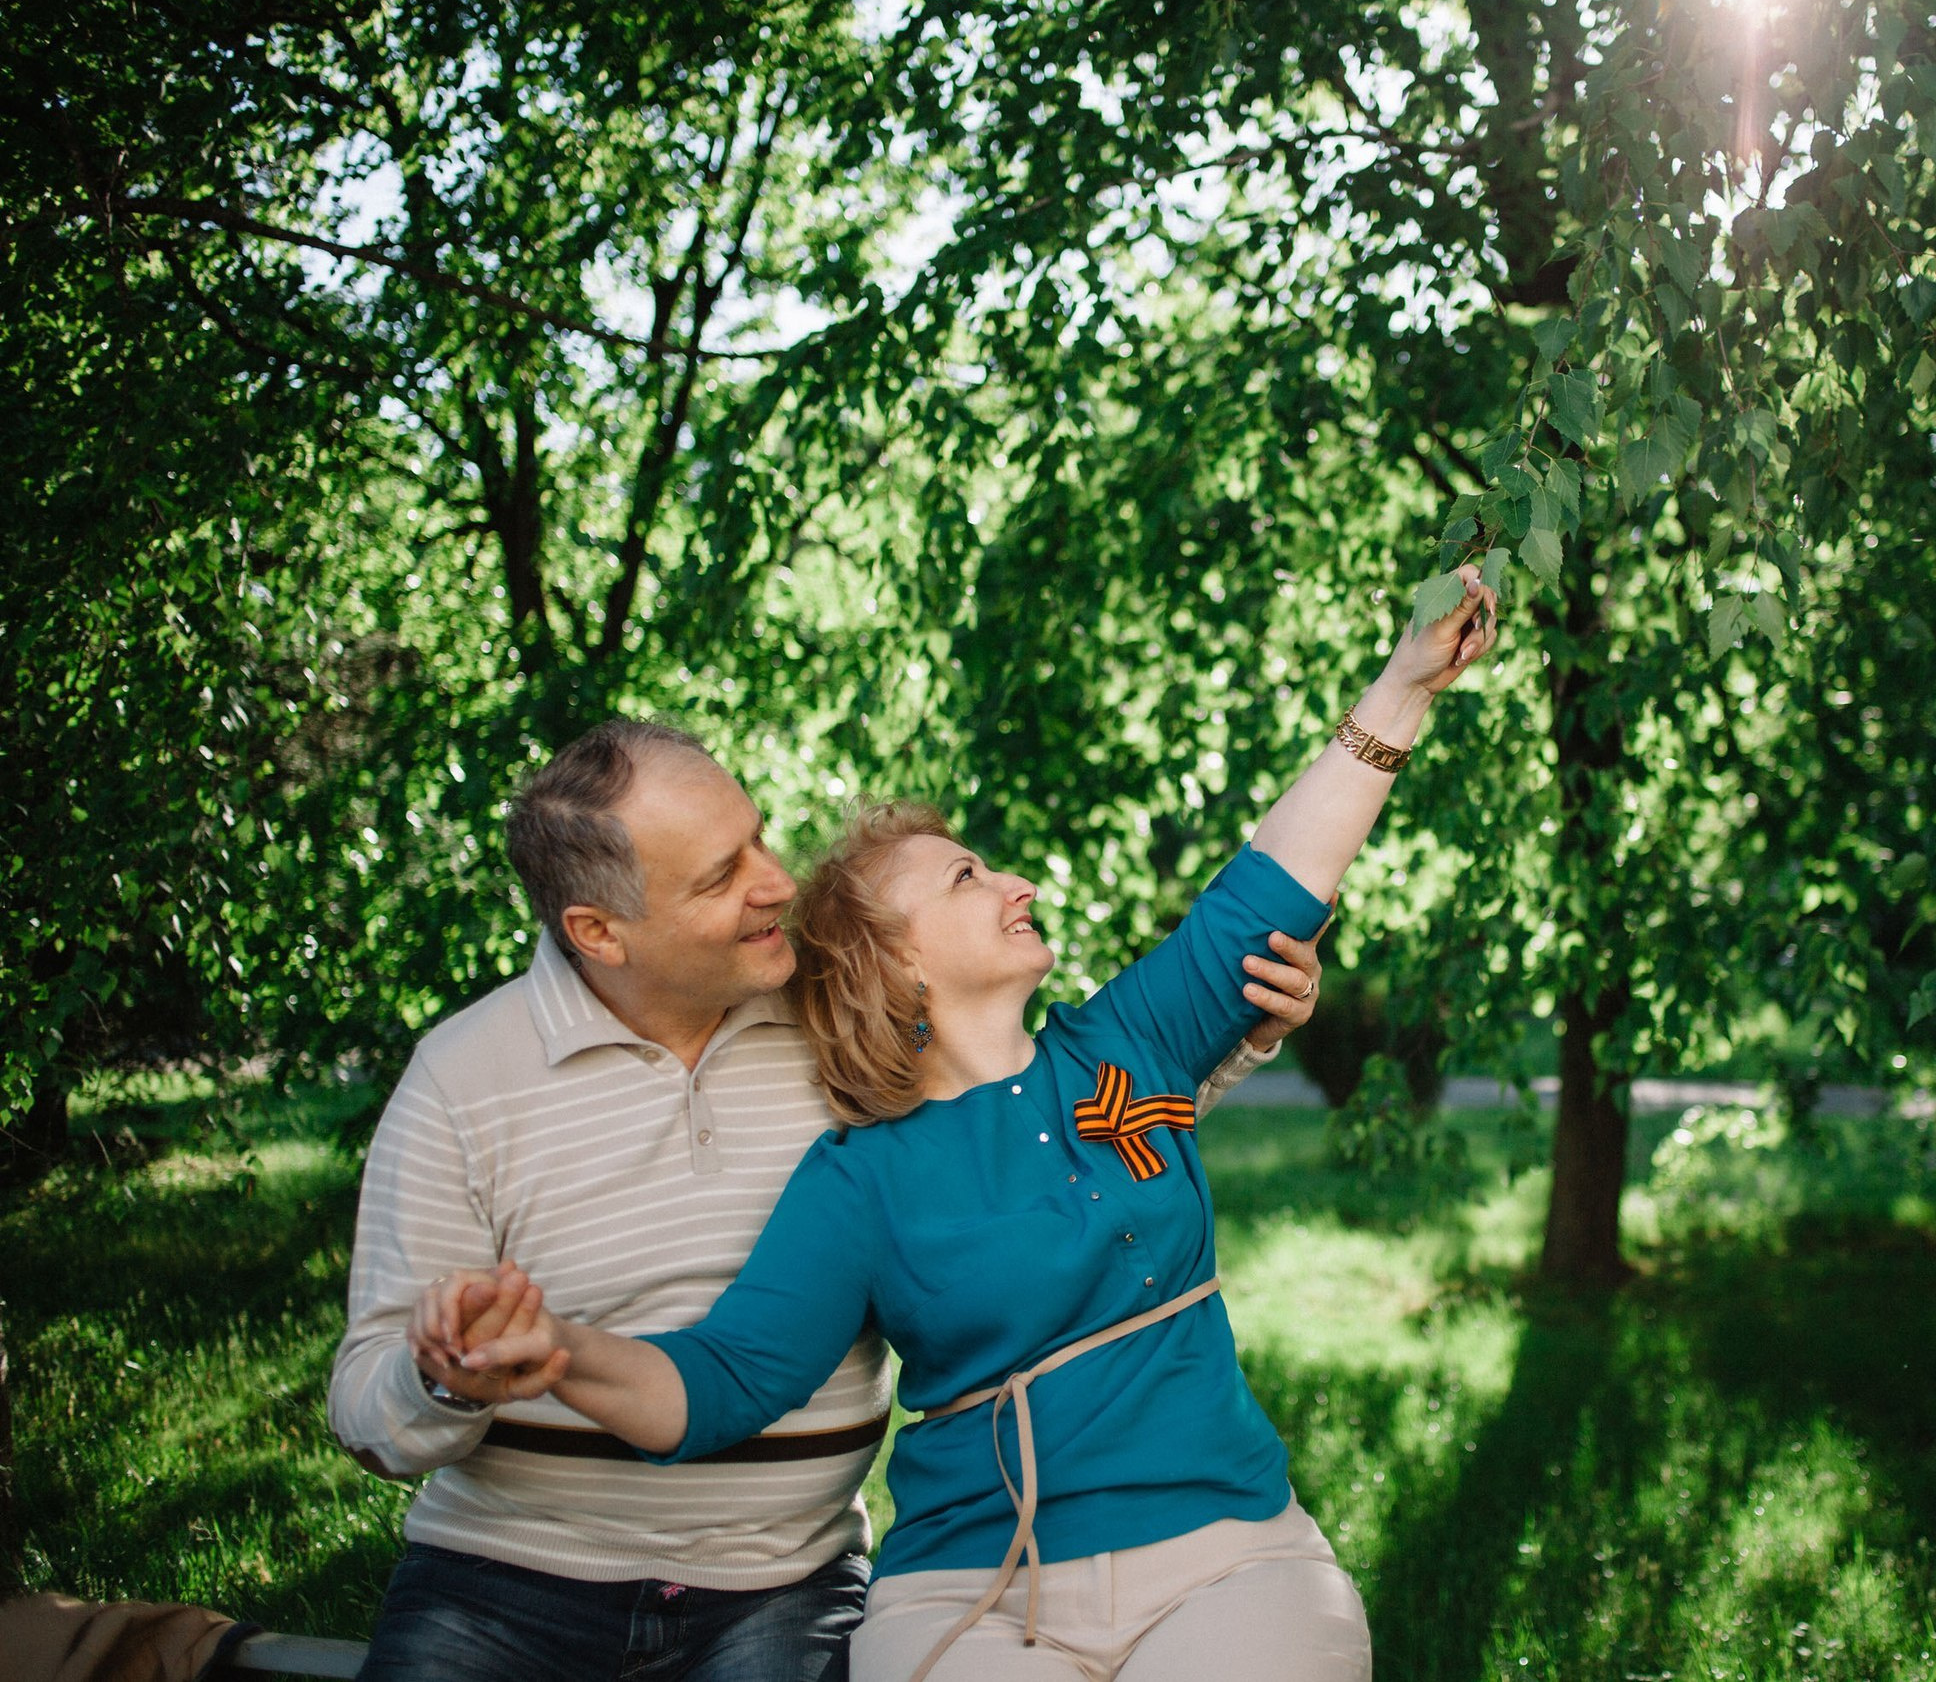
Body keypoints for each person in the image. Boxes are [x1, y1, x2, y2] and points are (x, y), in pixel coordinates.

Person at [442, 565, 1499, 1682]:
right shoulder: (860, 1180)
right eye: (964, 877)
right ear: (892, 959)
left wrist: (1405, 684)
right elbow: (723, 1384)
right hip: (971, 1592)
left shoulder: (1126, 1044)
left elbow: (1273, 885)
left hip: (1226, 1553)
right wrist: (557, 1352)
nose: (1017, 883)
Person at [330, 719, 1328, 1682]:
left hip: (776, 1583)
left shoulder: (842, 1019)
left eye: (756, 838)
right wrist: (453, 1378)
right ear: (600, 930)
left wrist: (1238, 1028)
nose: (777, 884)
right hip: (506, 1578)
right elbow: (370, 1412)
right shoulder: (467, 1078)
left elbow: (1047, 1123)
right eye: (722, 876)